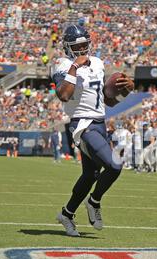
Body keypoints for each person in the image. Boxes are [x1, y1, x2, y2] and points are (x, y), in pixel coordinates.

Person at [51, 24, 134, 236]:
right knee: (115, 165)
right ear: (68, 47)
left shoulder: (97, 62)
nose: (82, 50)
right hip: (82, 125)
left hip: (100, 122)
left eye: (85, 45)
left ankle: (67, 214)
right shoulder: (61, 64)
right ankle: (94, 202)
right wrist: (74, 68)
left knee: (90, 174)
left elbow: (107, 101)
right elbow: (64, 95)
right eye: (77, 46)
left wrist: (126, 92)